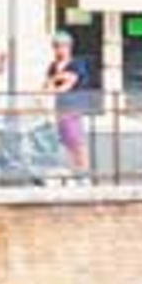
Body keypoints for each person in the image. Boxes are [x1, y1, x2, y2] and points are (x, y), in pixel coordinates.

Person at [44, 38, 92, 180]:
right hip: (60, 106)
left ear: (69, 47)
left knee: (75, 139)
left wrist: (53, 83)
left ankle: (83, 172)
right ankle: (74, 170)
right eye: (56, 47)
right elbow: (48, 83)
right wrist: (53, 82)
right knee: (66, 140)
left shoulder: (76, 64)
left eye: (62, 46)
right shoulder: (53, 66)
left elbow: (68, 84)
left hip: (74, 105)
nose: (59, 50)